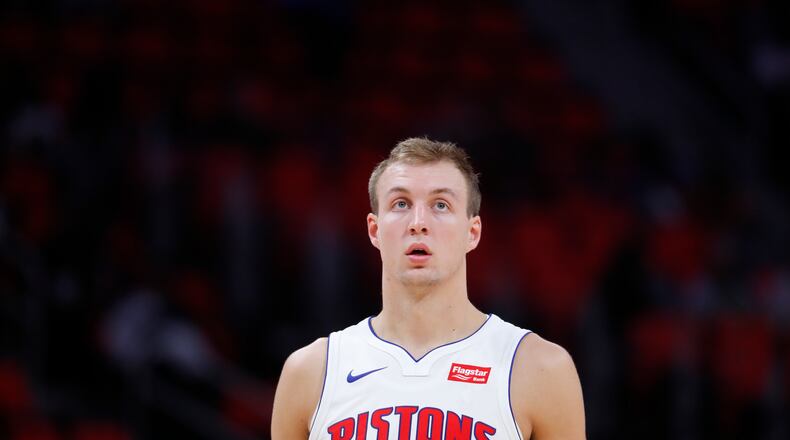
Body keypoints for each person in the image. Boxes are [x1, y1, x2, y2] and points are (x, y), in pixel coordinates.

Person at [271, 138, 586, 440]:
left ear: (472, 232)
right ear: (374, 230)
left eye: (440, 204)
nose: (418, 222)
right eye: (401, 203)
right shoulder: (311, 372)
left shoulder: (539, 368)